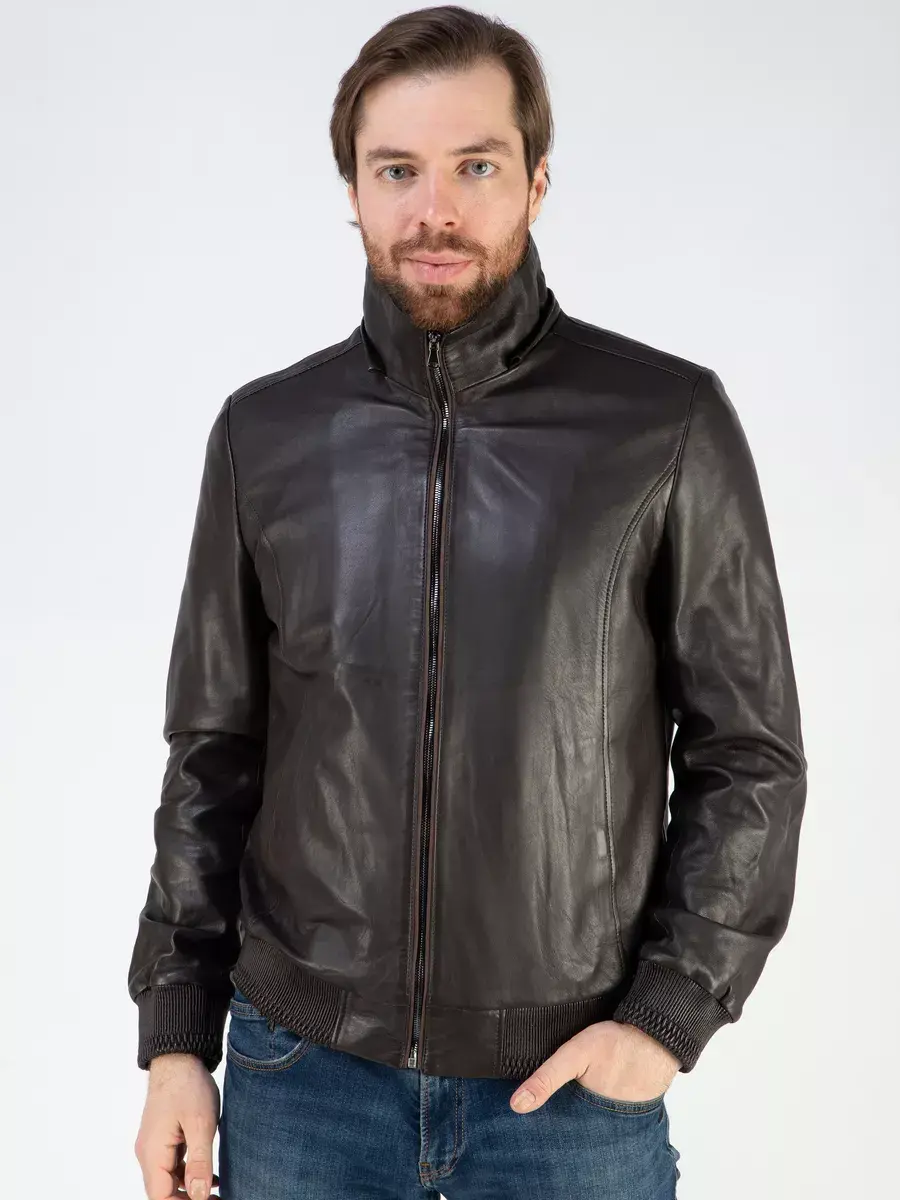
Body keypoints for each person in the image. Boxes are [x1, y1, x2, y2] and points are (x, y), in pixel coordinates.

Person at [129, 6, 808, 1198]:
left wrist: (666, 1015)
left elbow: (747, 754)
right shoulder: (265, 434)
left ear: (537, 181)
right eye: (398, 170)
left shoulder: (665, 425)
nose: (434, 209)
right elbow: (213, 756)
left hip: (568, 1091)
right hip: (302, 1077)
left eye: (476, 166)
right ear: (353, 190)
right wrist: (177, 1042)